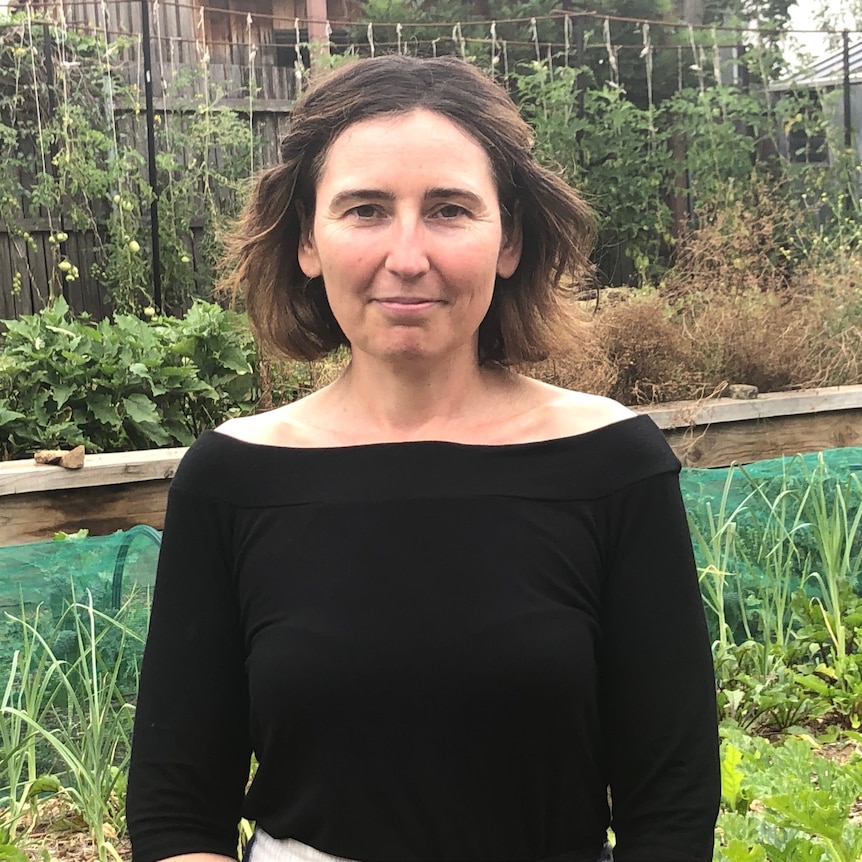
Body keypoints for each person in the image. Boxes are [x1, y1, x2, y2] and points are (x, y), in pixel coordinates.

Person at [126, 54, 720, 862]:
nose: (408, 256)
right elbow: (175, 810)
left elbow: (672, 806)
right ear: (307, 241)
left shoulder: (611, 465)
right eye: (366, 210)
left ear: (508, 239)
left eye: (448, 210)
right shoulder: (232, 479)